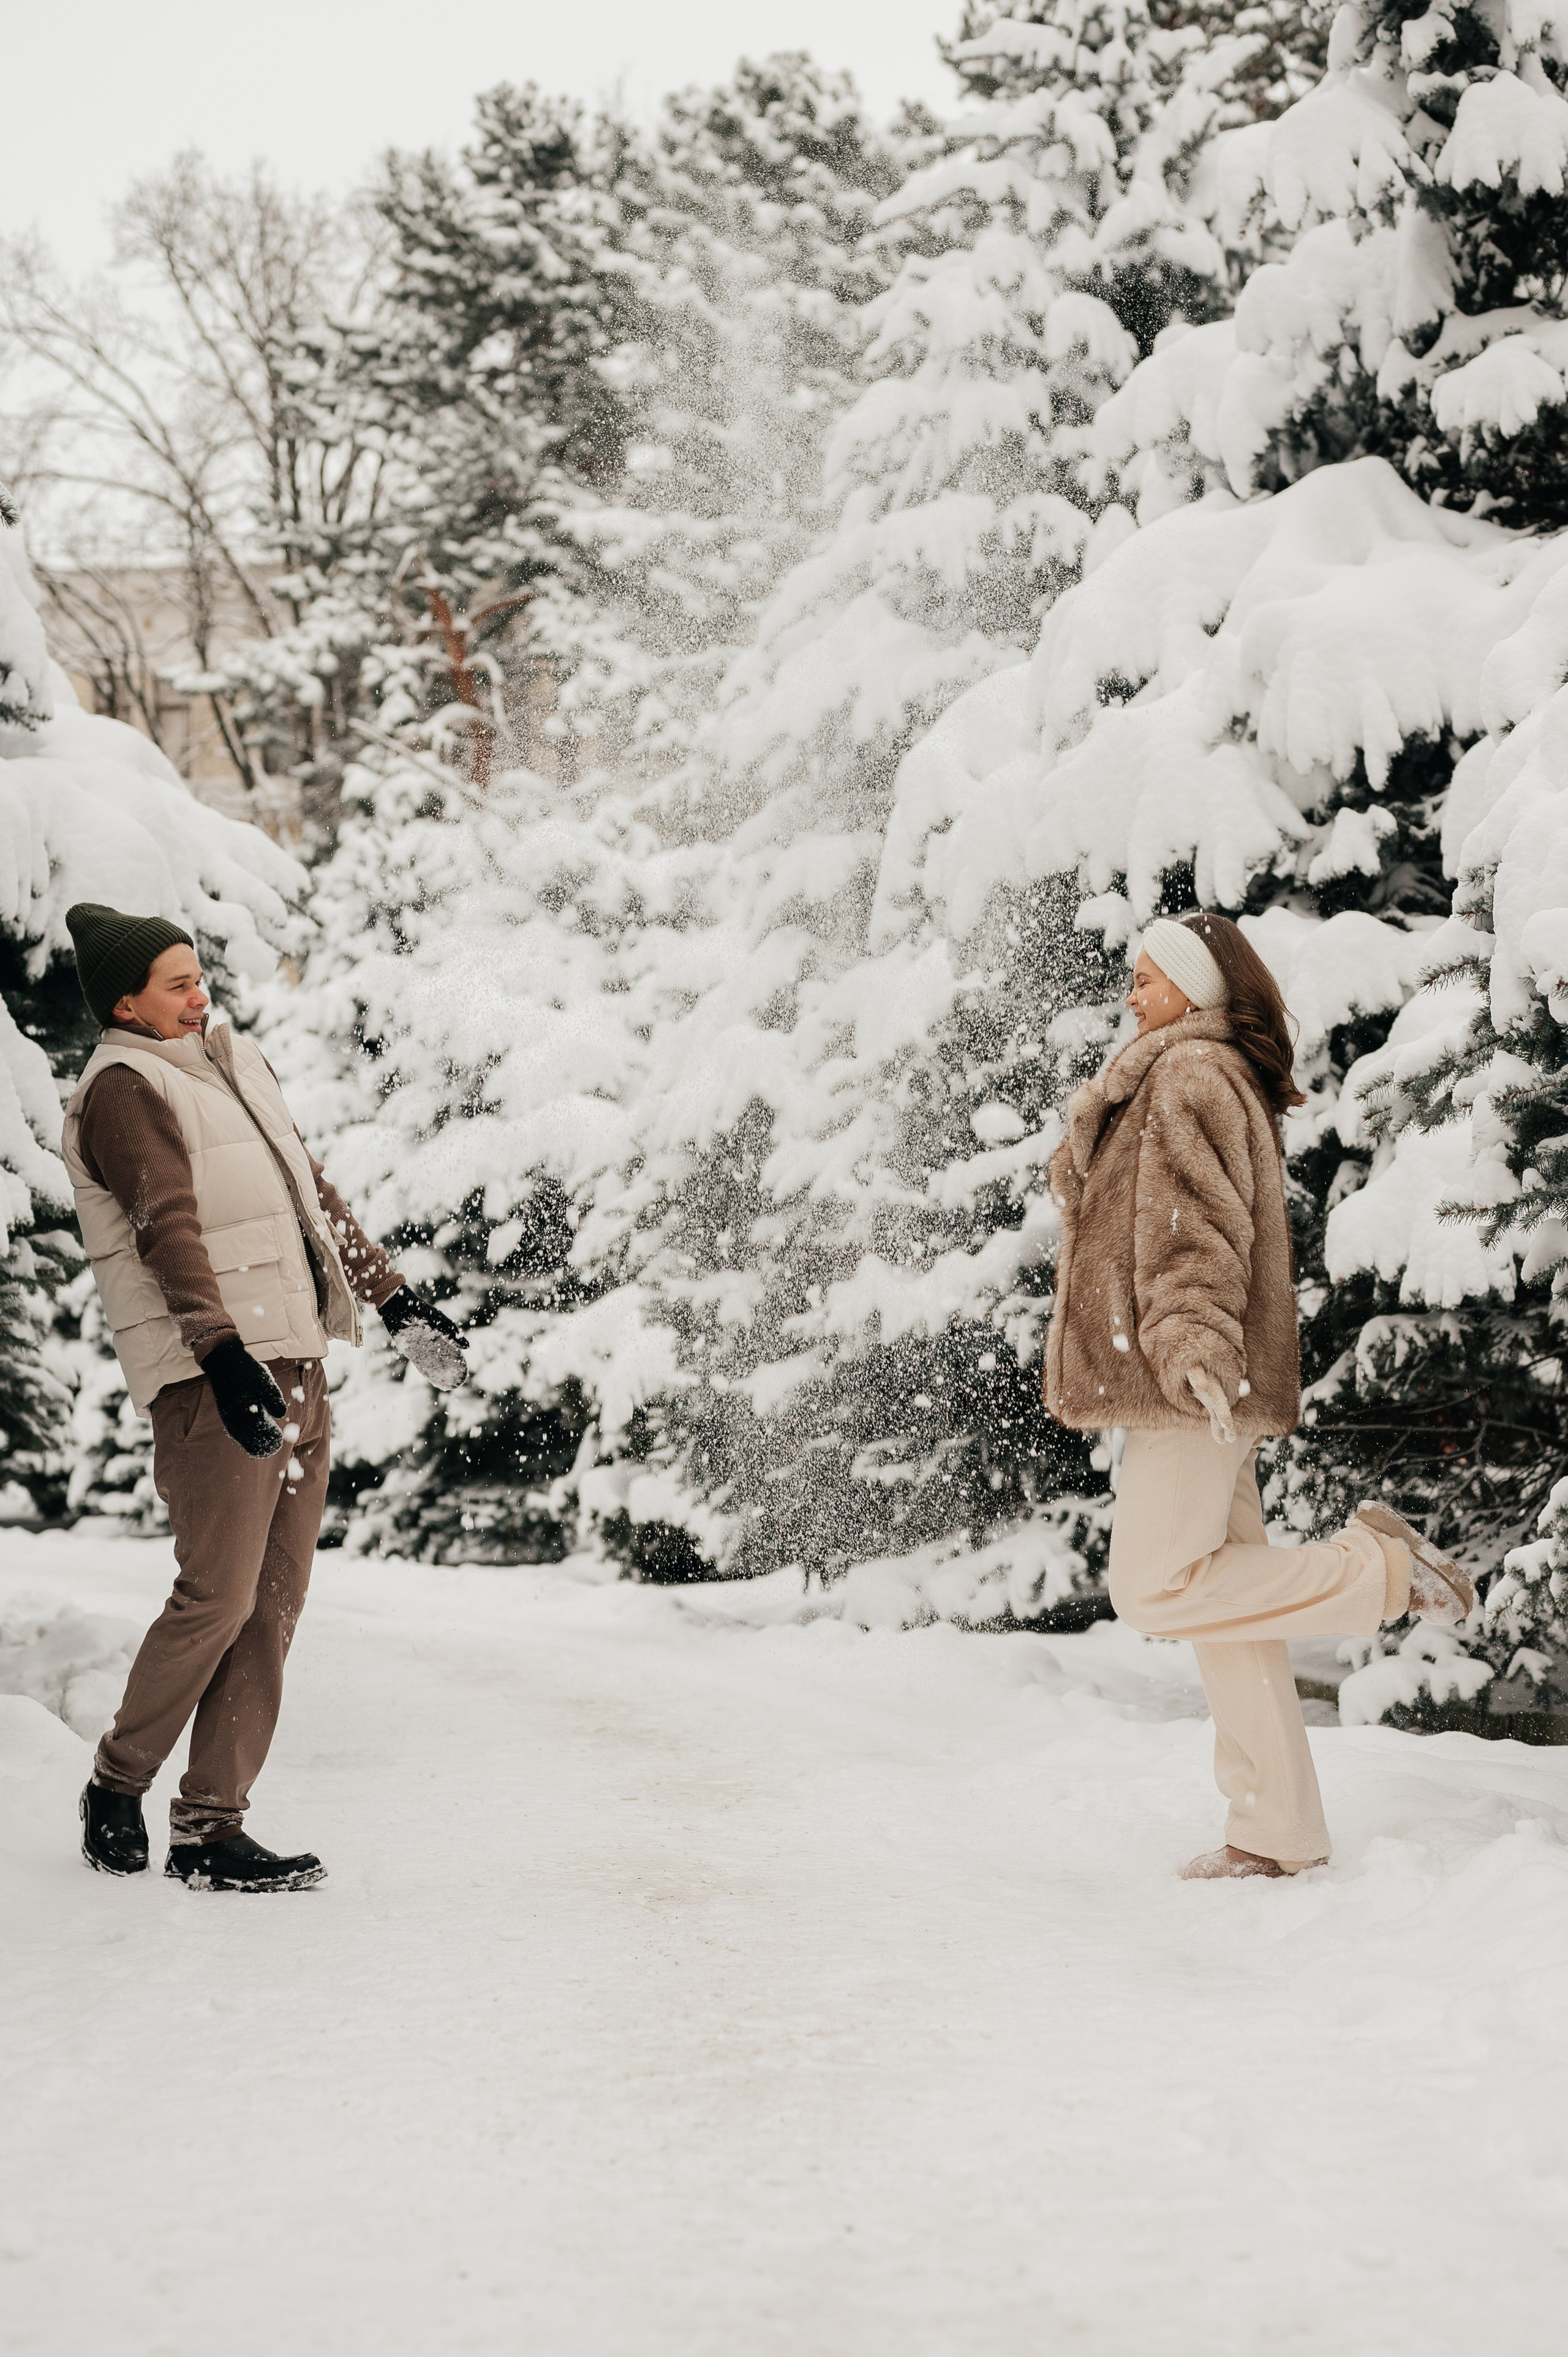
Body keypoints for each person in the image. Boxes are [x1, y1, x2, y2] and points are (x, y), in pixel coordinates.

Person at [1044, 911, 1474, 1880]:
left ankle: (1384, 1572)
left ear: (1196, 989)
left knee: (1154, 1588)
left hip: (1185, 1379)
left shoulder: (1188, 1074)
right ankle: (1277, 1831)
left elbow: (1194, 1228)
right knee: (1223, 1607)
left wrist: (1193, 1344)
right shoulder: (1183, 1072)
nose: (1132, 993)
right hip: (1195, 1372)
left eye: (1151, 978)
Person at [60, 902, 470, 1893]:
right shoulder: (124, 1087)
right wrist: (223, 1355)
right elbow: (167, 1226)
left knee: (272, 1604)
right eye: (177, 984)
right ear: (126, 1003)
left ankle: (210, 1827)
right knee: (219, 1595)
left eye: (199, 976)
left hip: (294, 1359)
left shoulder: (230, 1065)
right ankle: (119, 1784)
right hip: (213, 1376)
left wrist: (393, 1295)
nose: (201, 994)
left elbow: (310, 1191)